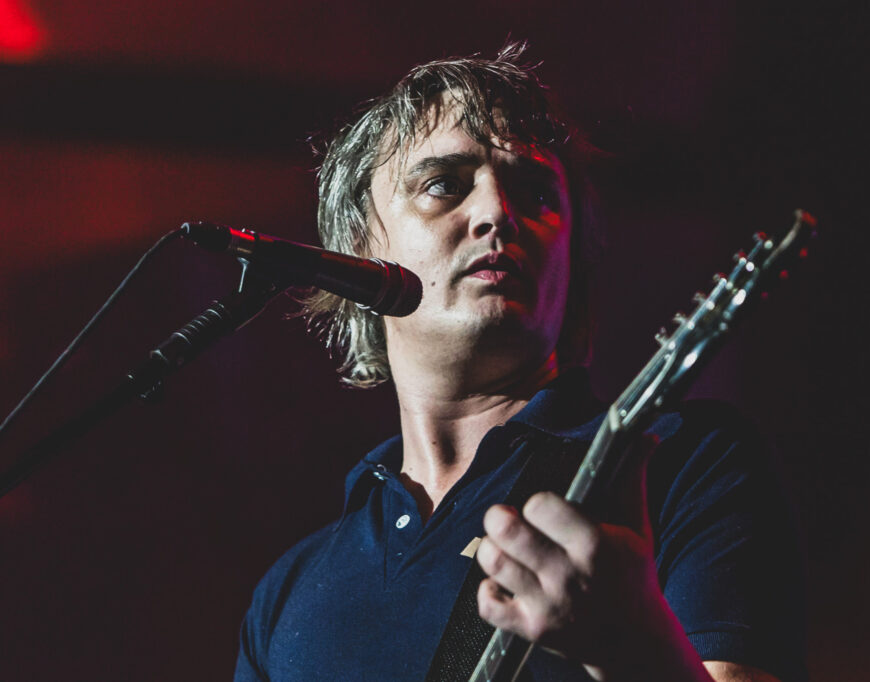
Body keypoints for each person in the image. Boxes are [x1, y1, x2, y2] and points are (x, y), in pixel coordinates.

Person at [234, 44, 806, 682]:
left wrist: (634, 649)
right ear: (357, 251)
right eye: (443, 185)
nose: (497, 213)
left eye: (534, 191)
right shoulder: (289, 592)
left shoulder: (677, 464)